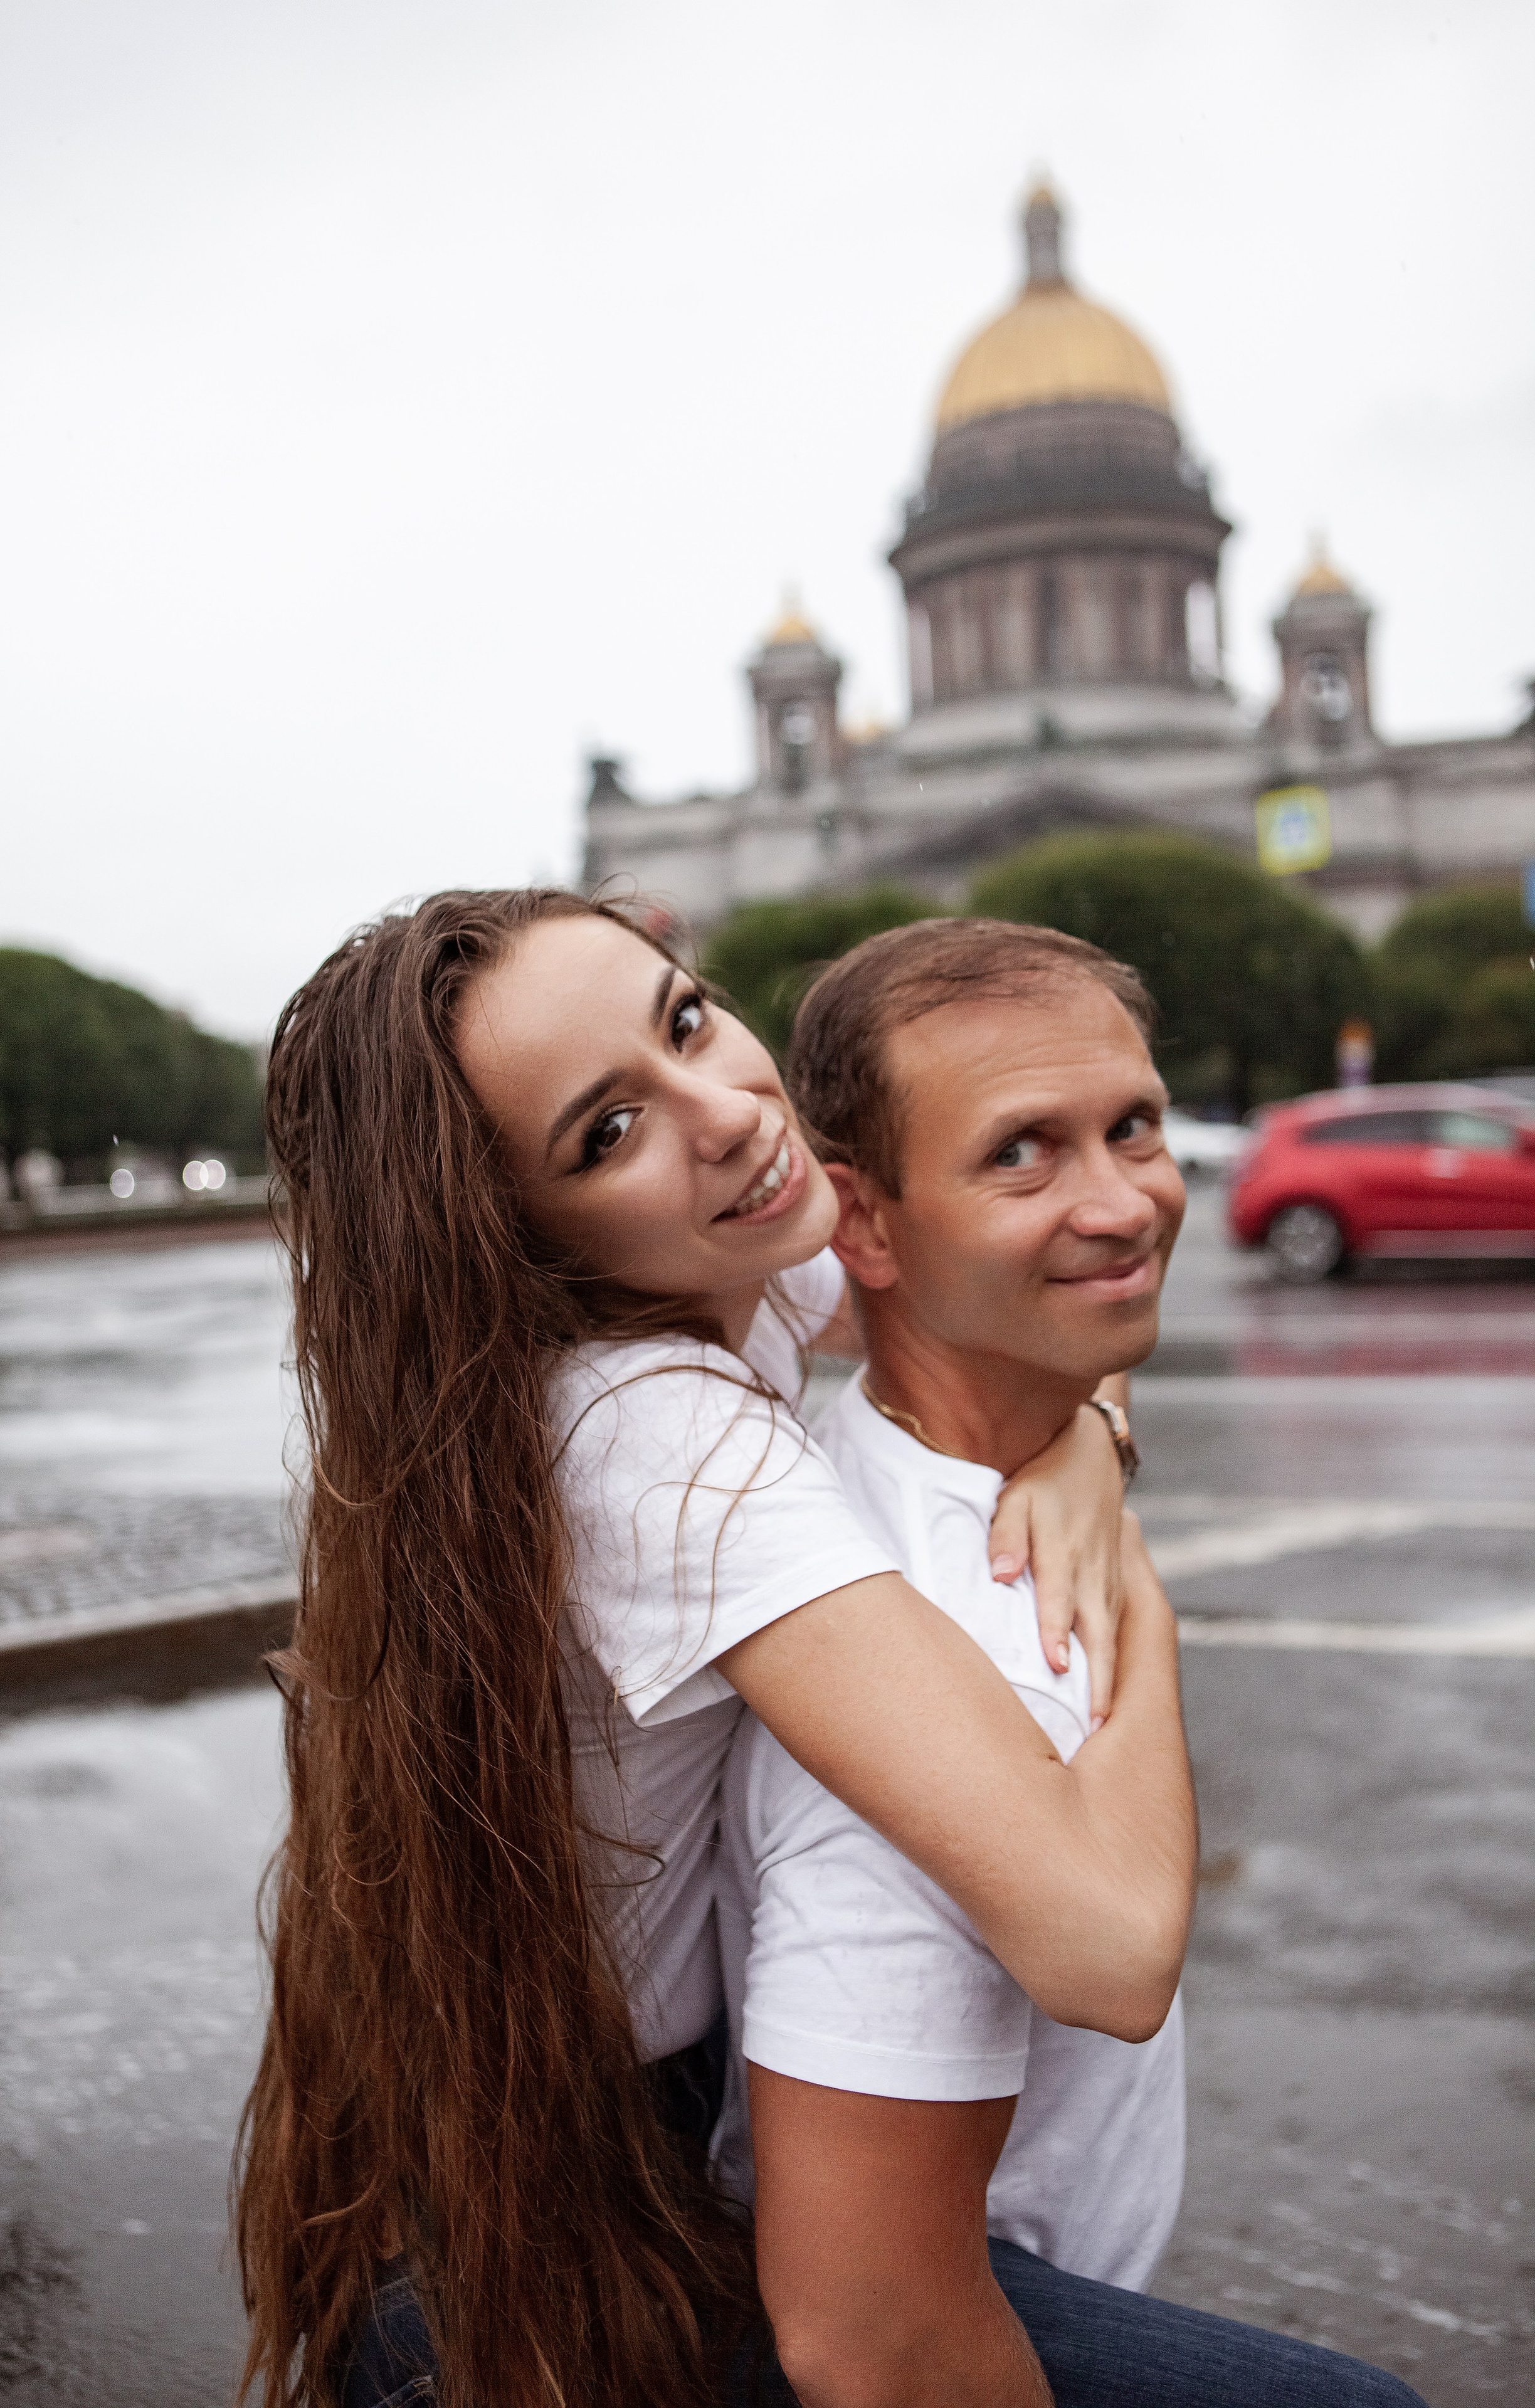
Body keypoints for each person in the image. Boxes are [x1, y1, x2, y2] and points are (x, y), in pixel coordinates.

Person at [234, 888, 1193, 2408]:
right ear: (514, 1232)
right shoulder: (656, 1438)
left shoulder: (723, 1253)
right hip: (593, 2169)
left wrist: (1084, 1430)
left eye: (683, 1018)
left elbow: (981, 1307)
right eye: (604, 1133)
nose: (733, 1112)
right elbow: (1103, 1939)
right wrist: (1130, 1599)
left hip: (522, 2102)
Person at [717, 916, 1425, 2408]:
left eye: (1133, 1127)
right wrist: (1141, 1625)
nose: (1124, 1204)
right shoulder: (952, 1675)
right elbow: (870, 2336)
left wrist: (1094, 1430)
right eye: (1022, 1155)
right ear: (863, 1225)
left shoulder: (948, 1440)